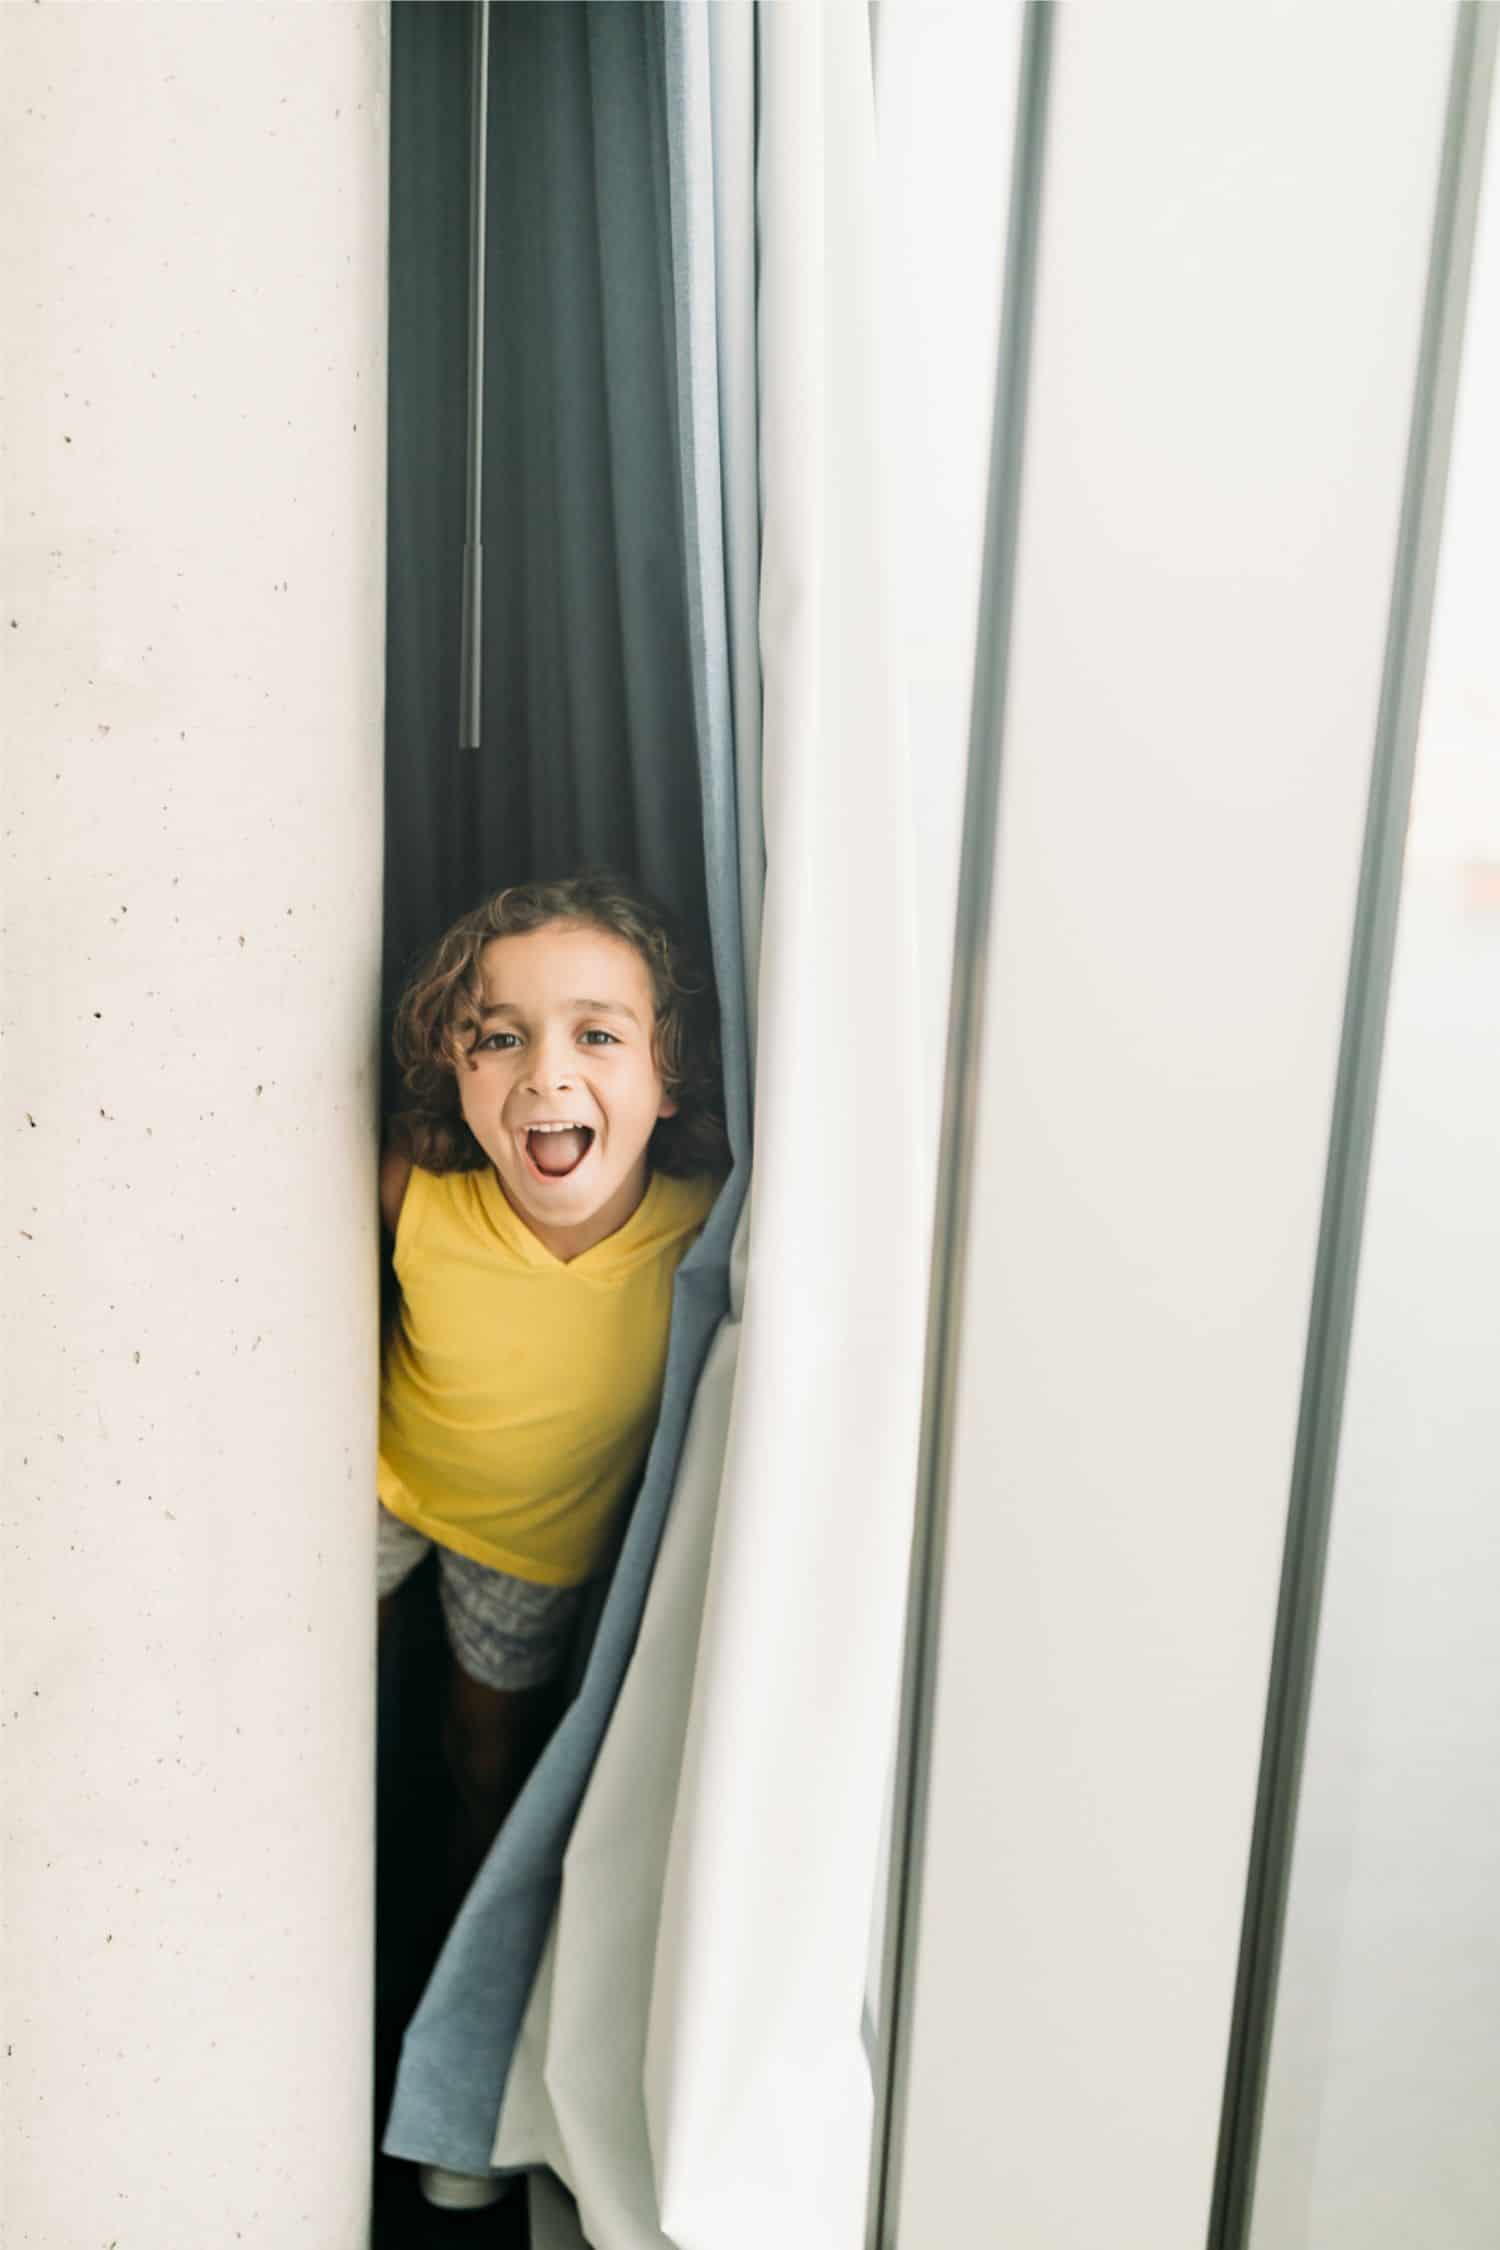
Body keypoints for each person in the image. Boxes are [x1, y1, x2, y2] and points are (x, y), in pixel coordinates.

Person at [376, 871, 727, 2210]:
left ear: (668, 1076)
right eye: (500, 1033)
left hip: (530, 1555)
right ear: (454, 1071)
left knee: (488, 1772)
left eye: (597, 1034)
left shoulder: (704, 1227)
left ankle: (464, 2053)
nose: (545, 1072)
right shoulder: (420, 1197)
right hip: (385, 1484)